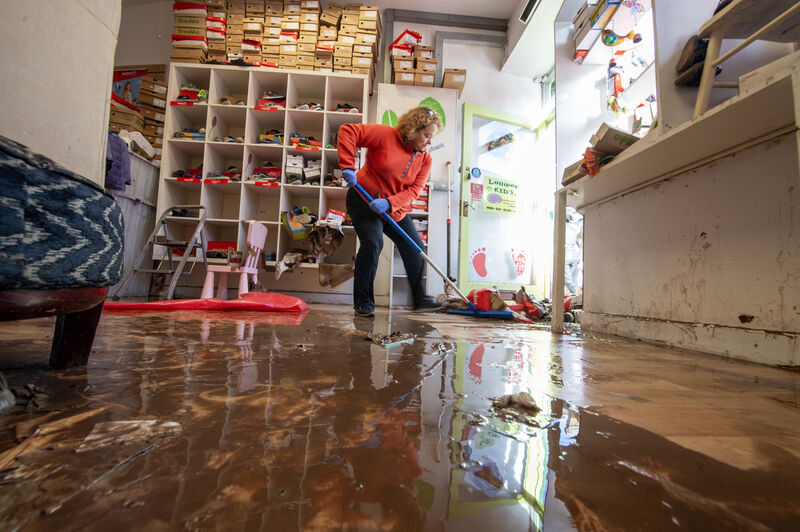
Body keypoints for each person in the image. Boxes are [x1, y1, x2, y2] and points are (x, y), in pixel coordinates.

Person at [337, 106, 443, 317]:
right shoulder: (386, 135)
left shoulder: (426, 159)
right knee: (373, 243)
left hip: (393, 209)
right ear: (413, 129)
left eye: (432, 137)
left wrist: (390, 203)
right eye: (426, 135)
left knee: (415, 247)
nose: (429, 142)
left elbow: (414, 191)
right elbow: (348, 130)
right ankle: (364, 302)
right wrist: (348, 165)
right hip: (363, 200)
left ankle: (420, 299)